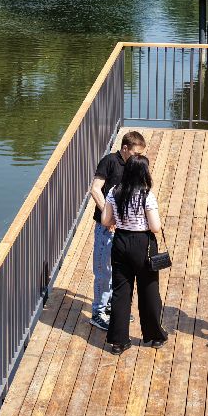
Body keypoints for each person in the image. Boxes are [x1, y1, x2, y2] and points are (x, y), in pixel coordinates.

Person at [100, 153, 166, 354]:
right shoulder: (146, 195)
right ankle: (154, 336)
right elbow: (155, 227)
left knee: (121, 292)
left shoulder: (114, 191)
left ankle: (119, 341)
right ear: (143, 172)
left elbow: (105, 220)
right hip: (143, 243)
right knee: (149, 290)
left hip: (120, 242)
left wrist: (120, 222)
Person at [86, 131, 145, 331]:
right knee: (103, 270)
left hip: (122, 227)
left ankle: (111, 307)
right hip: (106, 226)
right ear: (125, 148)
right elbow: (95, 189)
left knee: (118, 269)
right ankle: (98, 312)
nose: (137, 157)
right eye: (135, 153)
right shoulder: (110, 161)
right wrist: (108, 216)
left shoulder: (132, 166)